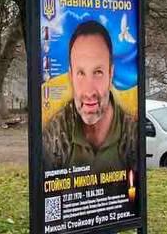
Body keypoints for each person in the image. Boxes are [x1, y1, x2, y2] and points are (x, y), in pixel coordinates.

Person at [41, 20, 136, 172]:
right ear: (71, 76)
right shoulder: (52, 135)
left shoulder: (133, 134)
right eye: (81, 73)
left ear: (111, 74)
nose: (89, 92)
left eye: (98, 72)